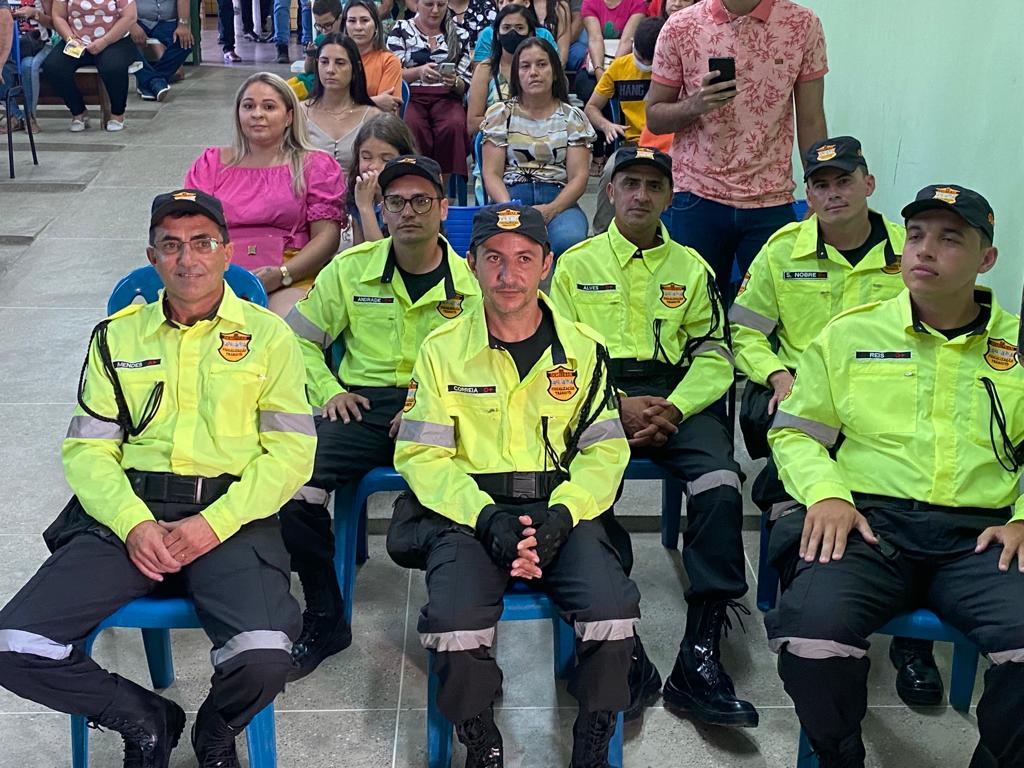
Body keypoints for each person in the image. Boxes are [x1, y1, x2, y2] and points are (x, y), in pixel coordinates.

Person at [0, 189, 315, 768]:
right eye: (171, 245)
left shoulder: (270, 337)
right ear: (152, 257)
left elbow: (292, 453)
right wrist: (133, 523)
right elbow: (89, 451)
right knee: (14, 645)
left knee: (266, 655)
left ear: (227, 253)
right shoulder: (116, 336)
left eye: (202, 243)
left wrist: (213, 524)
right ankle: (146, 718)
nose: (187, 258)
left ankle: (215, 732)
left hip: (231, 514)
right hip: (130, 510)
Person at [765, 185, 1024, 767]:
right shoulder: (851, 333)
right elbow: (795, 432)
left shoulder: (1017, 345)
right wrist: (826, 495)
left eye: (949, 239)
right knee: (811, 637)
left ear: (986, 259)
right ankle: (839, 754)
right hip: (869, 527)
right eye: (916, 236)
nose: (924, 250)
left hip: (983, 537)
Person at [391, 202, 639, 768]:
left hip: (561, 505)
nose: (509, 274)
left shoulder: (584, 348)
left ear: (546, 264)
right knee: (453, 622)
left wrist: (566, 514)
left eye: (525, 258)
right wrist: (485, 517)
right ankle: (480, 735)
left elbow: (605, 451)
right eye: (494, 259)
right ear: (472, 264)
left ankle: (593, 736)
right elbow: (422, 455)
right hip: (469, 511)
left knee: (613, 610)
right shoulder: (441, 350)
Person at [728, 138, 943, 706]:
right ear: (807, 195)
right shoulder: (782, 250)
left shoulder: (909, 252)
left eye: (843, 181)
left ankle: (911, 644)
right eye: (820, 185)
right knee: (793, 486)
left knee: (917, 501)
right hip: (806, 394)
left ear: (868, 184)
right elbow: (745, 329)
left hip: (887, 401)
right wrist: (776, 374)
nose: (832, 194)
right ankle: (817, 596)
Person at [551, 146, 754, 728]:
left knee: (721, 484)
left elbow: (715, 353)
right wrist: (615, 404)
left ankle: (701, 650)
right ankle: (622, 645)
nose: (641, 195)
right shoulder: (574, 265)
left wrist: (676, 406)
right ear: (610, 191)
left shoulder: (692, 268)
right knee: (584, 494)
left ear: (669, 197)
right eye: (630, 183)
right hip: (597, 394)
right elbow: (558, 354)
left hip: (676, 394)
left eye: (654, 186)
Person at [279, 155, 482, 680]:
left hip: (441, 407)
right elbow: (295, 339)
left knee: (473, 490)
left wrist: (425, 406)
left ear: (443, 208)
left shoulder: (471, 281)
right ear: (383, 211)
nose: (408, 211)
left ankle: (460, 619)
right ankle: (326, 613)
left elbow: (484, 364)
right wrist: (328, 390)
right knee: (292, 484)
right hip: (362, 405)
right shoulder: (351, 269)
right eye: (396, 202)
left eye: (421, 201)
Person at [646, 0, 828, 302]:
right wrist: (696, 104)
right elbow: (654, 117)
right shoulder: (680, 26)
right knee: (694, 308)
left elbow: (811, 119)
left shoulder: (803, 24)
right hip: (697, 195)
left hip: (770, 197)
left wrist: (819, 190)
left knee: (771, 311)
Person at [186, 72, 344, 318]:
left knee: (286, 322)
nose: (257, 114)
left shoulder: (316, 165)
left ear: (289, 116)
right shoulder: (211, 163)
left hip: (291, 272)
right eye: (248, 106)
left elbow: (327, 237)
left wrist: (282, 274)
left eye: (269, 107)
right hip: (217, 271)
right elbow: (190, 229)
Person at [480, 37, 594, 260]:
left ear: (554, 71)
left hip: (560, 199)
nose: (533, 72)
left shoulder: (573, 117)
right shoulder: (500, 114)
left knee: (569, 240)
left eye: (541, 64)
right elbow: (491, 174)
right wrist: (509, 208)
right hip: (510, 196)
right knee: (502, 242)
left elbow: (579, 177)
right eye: (525, 66)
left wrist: (552, 210)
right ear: (516, 74)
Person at [584, 15, 662, 233]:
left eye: (651, 61)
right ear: (633, 45)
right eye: (641, 59)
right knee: (610, 171)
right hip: (630, 144)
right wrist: (607, 125)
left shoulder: (674, 67)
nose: (646, 65)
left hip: (666, 144)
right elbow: (591, 108)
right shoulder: (619, 68)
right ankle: (601, 234)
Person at [387, 0, 472, 184]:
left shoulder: (459, 34)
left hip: (447, 97)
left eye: (441, 5)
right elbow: (392, 74)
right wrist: (418, 72)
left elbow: (465, 82)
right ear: (416, 4)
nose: (435, 10)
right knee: (412, 124)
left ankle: (441, 187)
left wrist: (454, 82)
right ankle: (416, 181)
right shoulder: (401, 29)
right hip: (411, 96)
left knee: (453, 125)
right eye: (429, 4)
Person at [42, 0, 138, 132]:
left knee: (112, 66)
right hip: (77, 40)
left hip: (114, 40)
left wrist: (105, 41)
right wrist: (71, 39)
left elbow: (130, 16)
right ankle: (79, 111)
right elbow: (58, 16)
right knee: (53, 66)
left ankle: (117, 113)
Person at [576, 0, 647, 174]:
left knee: (617, 90)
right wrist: (601, 72)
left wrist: (615, 72)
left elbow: (627, 40)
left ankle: (611, 152)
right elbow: (595, 38)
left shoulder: (637, 3)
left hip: (627, 62)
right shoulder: (590, 3)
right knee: (590, 90)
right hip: (597, 62)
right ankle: (598, 151)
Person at [302, 34, 381, 167]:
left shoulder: (372, 117)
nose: (330, 70)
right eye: (324, 62)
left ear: (356, 68)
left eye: (340, 63)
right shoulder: (300, 113)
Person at [345, 112, 419, 245]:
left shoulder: (409, 200)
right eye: (366, 157)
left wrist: (366, 207)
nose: (374, 166)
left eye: (386, 159)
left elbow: (381, 254)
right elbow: (360, 249)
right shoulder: (358, 192)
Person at [466, 3, 537, 134]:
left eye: (519, 28)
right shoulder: (485, 69)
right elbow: (472, 124)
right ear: (498, 34)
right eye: (506, 28)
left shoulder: (540, 69)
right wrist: (512, 122)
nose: (512, 32)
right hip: (494, 137)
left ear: (530, 33)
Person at [1, 0, 53, 133]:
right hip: (8, 48)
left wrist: (35, 13)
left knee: (27, 66)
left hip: (37, 46)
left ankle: (30, 116)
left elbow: (53, 22)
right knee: (2, 67)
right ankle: (15, 115)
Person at [344, 0, 403, 113]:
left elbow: (387, 110)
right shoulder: (336, 60)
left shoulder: (388, 61)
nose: (358, 27)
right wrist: (374, 101)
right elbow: (330, 106)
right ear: (345, 26)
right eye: (352, 21)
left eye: (365, 20)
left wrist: (348, 107)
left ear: (376, 25)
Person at [130, 0, 192, 101]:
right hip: (138, 21)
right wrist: (131, 24)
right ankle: (154, 82)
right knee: (125, 43)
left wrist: (183, 25)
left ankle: (148, 82)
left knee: (186, 42)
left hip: (167, 22)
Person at [472, 0, 561, 65]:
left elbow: (556, 69)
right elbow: (479, 71)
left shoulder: (544, 35)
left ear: (526, 2)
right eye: (501, 2)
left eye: (510, 0)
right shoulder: (487, 34)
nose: (505, 5)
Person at [286, 0, 343, 98]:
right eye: (319, 26)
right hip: (305, 79)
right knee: (277, 87)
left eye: (328, 25)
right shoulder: (321, 38)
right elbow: (308, 70)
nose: (324, 30)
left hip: (314, 85)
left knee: (282, 96)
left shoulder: (345, 41)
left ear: (340, 18)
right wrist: (310, 56)